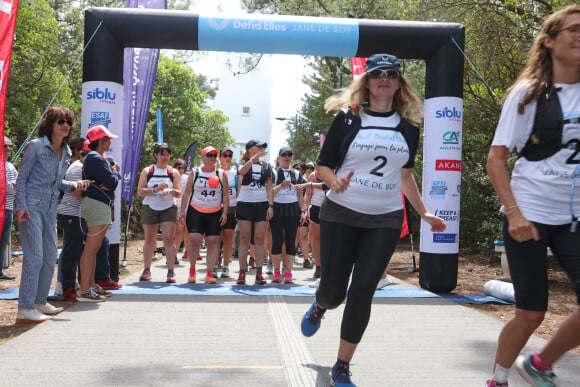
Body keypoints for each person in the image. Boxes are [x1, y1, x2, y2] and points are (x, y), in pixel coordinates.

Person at [299, 53, 446, 386]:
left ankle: (342, 365)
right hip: (342, 213)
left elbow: (405, 174)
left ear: (399, 83)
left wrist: (423, 212)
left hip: (384, 218)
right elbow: (323, 164)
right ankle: (320, 305)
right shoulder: (349, 119)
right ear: (366, 81)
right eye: (377, 73)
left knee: (364, 289)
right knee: (335, 293)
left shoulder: (408, 126)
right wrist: (332, 180)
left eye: (391, 74)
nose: (384, 79)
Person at [485, 5, 580, 387]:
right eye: (573, 30)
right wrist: (514, 213)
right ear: (550, 40)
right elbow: (495, 160)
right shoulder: (528, 95)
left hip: (573, 217)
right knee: (530, 312)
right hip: (529, 213)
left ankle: (540, 363)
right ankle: (499, 379)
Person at [15, 107, 90, 322]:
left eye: (68, 121)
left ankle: (39, 302)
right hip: (32, 205)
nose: (65, 125)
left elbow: (57, 184)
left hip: (50, 208)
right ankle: (25, 308)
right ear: (50, 124)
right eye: (60, 121)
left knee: (50, 257)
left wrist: (74, 184)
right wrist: (21, 206)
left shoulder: (66, 152)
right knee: (35, 256)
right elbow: (22, 179)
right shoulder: (36, 147)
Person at [78, 125, 121, 302]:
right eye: (108, 139)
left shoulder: (96, 158)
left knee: (94, 248)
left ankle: (91, 285)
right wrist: (115, 172)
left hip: (100, 203)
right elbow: (112, 183)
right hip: (96, 204)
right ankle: (85, 289)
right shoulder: (95, 158)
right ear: (102, 141)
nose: (110, 142)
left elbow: (108, 183)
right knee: (91, 248)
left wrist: (110, 177)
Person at [180, 146, 228, 284]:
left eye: (215, 155)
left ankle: (209, 272)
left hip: (215, 211)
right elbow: (187, 192)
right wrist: (182, 211)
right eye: (209, 155)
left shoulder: (221, 174)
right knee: (194, 240)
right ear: (203, 157)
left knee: (212, 242)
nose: (212, 158)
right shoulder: (194, 172)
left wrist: (225, 212)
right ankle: (192, 270)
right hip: (196, 210)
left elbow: (225, 194)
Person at [137, 143, 181, 283]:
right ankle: (147, 269)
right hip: (150, 206)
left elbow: (179, 193)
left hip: (168, 207)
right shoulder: (148, 170)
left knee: (168, 238)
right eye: (162, 154)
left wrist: (170, 191)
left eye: (167, 154)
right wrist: (155, 190)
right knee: (150, 239)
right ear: (156, 155)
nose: (165, 157)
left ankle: (170, 271)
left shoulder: (173, 172)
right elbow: (140, 191)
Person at [235, 140, 273, 285]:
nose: (261, 149)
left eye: (262, 147)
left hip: (261, 204)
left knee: (259, 238)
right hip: (244, 204)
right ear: (250, 149)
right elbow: (241, 172)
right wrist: (252, 159)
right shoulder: (242, 163)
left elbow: (269, 187)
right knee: (244, 238)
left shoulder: (266, 166)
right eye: (258, 147)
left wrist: (270, 206)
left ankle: (259, 272)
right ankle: (242, 272)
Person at [269, 146, 305, 284]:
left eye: (290, 154)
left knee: (291, 241)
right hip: (277, 208)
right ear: (279, 157)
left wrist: (303, 211)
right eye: (284, 154)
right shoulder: (273, 172)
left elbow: (300, 195)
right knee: (277, 240)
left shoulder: (296, 173)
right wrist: (281, 185)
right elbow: (270, 192)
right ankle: (276, 272)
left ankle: (288, 272)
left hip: (292, 209)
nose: (287, 156)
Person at [218, 146, 238, 278]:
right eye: (225, 155)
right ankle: (214, 265)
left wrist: (239, 208)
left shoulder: (236, 172)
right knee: (214, 238)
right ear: (220, 157)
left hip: (231, 207)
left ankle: (225, 266)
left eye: (230, 155)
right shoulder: (215, 171)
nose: (228, 158)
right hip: (215, 207)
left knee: (228, 237)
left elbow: (239, 190)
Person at [0, 136, 17, 281]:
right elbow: (4, 187)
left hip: (8, 208)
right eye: (5, 146)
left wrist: (10, 185)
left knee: (4, 241)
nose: (8, 149)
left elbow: (16, 188)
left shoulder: (10, 166)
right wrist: (11, 185)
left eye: (10, 146)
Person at [172, 158, 188, 264]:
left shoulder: (187, 178)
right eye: (179, 167)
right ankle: (171, 254)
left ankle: (174, 254)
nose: (181, 170)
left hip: (185, 208)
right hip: (172, 207)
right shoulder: (171, 177)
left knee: (180, 232)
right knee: (172, 232)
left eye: (183, 168)